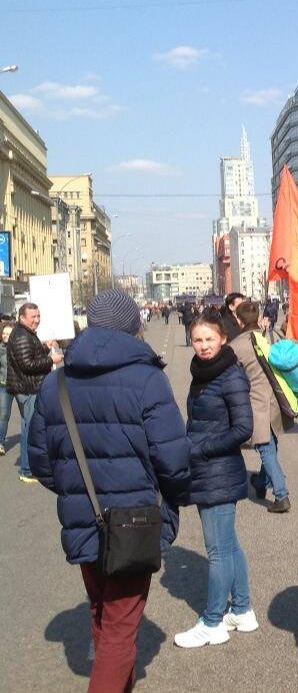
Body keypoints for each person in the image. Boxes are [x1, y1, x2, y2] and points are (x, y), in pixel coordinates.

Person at [28, 289, 191, 693]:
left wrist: (77, 492)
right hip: (135, 520)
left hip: (84, 518)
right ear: (132, 326)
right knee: (120, 627)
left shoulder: (56, 382)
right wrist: (174, 496)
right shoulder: (148, 378)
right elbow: (173, 460)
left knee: (103, 613)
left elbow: (40, 463)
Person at [174, 312, 257, 648]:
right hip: (208, 470)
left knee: (218, 550)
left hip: (217, 470)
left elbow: (243, 428)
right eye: (198, 340)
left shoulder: (230, 376)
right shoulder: (203, 374)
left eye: (210, 339)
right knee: (229, 544)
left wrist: (199, 448)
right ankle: (241, 609)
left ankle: (212, 622)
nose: (204, 346)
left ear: (222, 338)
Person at [228, 301, 291, 514]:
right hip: (275, 398)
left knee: (265, 449)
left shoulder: (237, 345)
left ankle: (281, 495)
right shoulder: (265, 337)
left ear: (239, 320)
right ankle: (261, 482)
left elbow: (231, 378)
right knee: (271, 444)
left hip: (256, 402)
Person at [7, 302, 63, 482]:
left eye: (38, 316)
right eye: (33, 317)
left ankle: (28, 467)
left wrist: (46, 347)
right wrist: (50, 360)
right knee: (30, 429)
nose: (37, 320)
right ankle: (26, 469)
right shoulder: (22, 336)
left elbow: (31, 355)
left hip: (28, 387)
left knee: (28, 427)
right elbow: (28, 365)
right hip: (28, 388)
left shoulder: (25, 333)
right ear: (22, 317)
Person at [0, 322, 15, 456]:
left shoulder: (19, 347)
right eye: (3, 333)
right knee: (4, 415)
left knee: (28, 416)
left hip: (20, 385)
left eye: (8, 333)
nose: (5, 335)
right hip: (4, 385)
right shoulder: (0, 349)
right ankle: (0, 443)